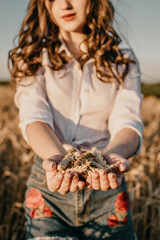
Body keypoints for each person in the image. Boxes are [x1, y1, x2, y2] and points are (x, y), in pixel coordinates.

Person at [8, 0, 143, 239]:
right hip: (49, 186)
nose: (65, 4)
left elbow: (128, 122)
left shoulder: (123, 61)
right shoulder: (33, 58)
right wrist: (58, 158)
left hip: (107, 184)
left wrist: (110, 157)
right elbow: (34, 117)